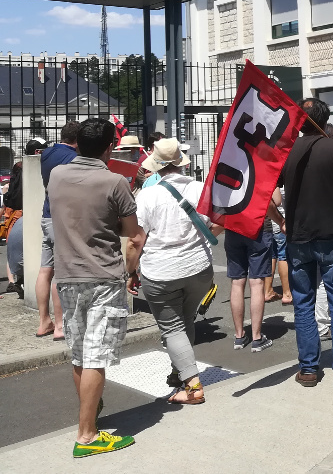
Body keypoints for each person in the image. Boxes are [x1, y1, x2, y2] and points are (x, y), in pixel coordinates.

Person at [48, 118, 145, 458]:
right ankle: (87, 434)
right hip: (104, 275)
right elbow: (134, 237)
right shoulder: (115, 181)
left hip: (68, 275)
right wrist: (131, 273)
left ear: (75, 144)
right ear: (108, 148)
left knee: (80, 353)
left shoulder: (56, 175)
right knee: (97, 355)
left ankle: (90, 412)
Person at [280, 98, 333, 390]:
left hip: (298, 238)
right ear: (325, 117)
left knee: (303, 303)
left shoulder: (287, 151)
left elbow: (264, 192)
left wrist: (279, 219)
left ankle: (308, 369)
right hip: (331, 235)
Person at [133, 138, 221, 404]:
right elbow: (220, 222)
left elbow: (137, 240)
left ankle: (193, 388)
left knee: (172, 328)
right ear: (182, 162)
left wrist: (130, 271)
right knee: (185, 321)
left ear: (156, 166)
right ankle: (180, 371)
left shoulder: (147, 194)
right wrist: (204, 238)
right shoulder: (200, 188)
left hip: (160, 271)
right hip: (198, 268)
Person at [36, 123, 79, 339]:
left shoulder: (47, 154)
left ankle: (44, 322)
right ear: (77, 140)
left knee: (45, 270)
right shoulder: (72, 158)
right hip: (61, 218)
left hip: (46, 215)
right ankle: (60, 326)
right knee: (60, 275)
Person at [224, 180, 275, 353]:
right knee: (257, 283)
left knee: (237, 282)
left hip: (233, 226)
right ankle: (256, 337)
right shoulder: (260, 171)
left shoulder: (231, 171)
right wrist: (281, 221)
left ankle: (239, 336)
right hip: (258, 228)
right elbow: (275, 201)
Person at [4, 137, 48, 299]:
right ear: (37, 152)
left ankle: (14, 280)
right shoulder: (32, 169)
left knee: (13, 246)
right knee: (28, 246)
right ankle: (19, 280)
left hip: (14, 211)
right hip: (24, 212)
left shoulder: (19, 167)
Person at [263, 187, 292, 305]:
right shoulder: (280, 181)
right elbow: (279, 200)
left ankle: (268, 290)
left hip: (270, 221)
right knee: (283, 256)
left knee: (272, 255)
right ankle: (287, 293)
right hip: (281, 221)